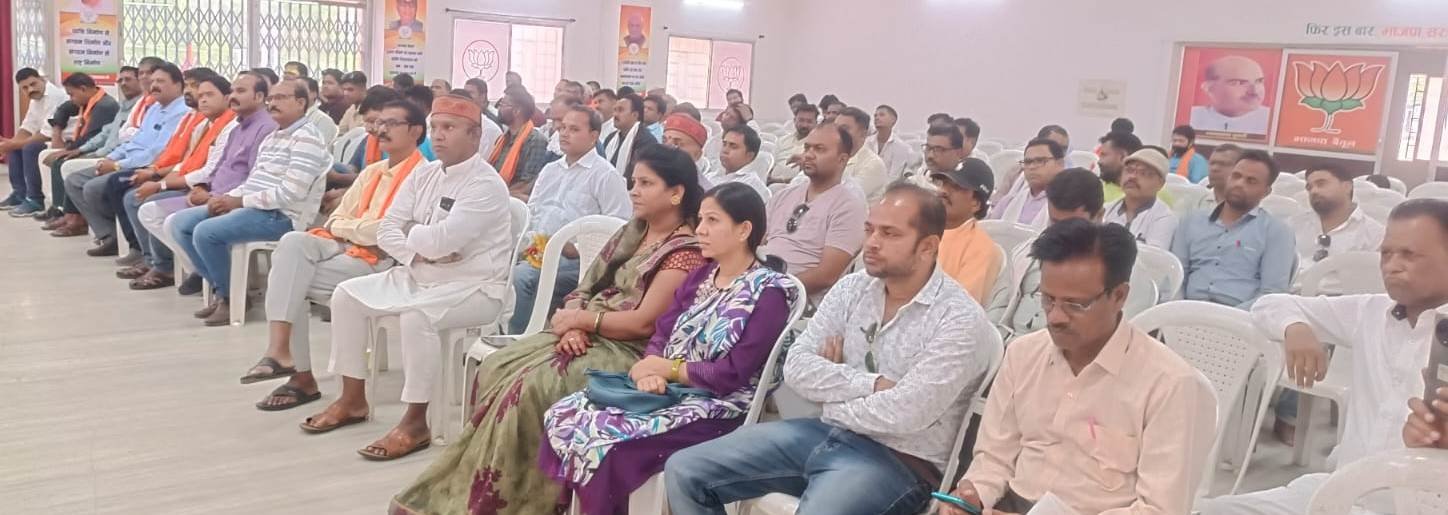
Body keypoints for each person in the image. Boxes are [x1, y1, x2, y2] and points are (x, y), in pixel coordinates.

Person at [390, 145, 708, 514]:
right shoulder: (632, 231)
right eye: (633, 182)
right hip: (587, 333)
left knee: (533, 387)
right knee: (496, 366)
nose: (633, 191)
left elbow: (643, 322)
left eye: (646, 184)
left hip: (632, 352)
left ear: (676, 193)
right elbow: (584, 289)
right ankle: (474, 490)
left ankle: (519, 503)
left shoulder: (685, 252)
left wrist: (582, 322)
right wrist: (572, 326)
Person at [666, 182, 997, 515]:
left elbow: (908, 412)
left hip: (897, 462)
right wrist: (871, 384)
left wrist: (830, 399)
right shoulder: (853, 288)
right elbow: (797, 367)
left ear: (927, 247)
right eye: (869, 229)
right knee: (685, 470)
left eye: (889, 234)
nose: (872, 242)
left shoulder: (959, 319)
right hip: (822, 432)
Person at [540, 182, 798, 515]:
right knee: (567, 414)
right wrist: (650, 366)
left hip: (719, 406)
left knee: (611, 447)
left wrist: (670, 370)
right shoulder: (703, 275)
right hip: (669, 391)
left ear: (743, 230)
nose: (700, 230)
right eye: (700, 219)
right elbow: (664, 330)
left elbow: (733, 373)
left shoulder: (768, 293)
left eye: (713, 221)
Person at [947, 220, 1217, 515]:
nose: (1055, 317)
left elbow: (1159, 509)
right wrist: (974, 494)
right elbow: (994, 457)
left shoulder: (1169, 384)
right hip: (1011, 502)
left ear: (1119, 296)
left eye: (1075, 305)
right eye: (1048, 299)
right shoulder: (1023, 354)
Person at [1199, 199, 1448, 515]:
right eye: (1386, 253)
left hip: (1417, 505)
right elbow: (1269, 304)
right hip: (1344, 488)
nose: (1392, 265)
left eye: (1409, 255)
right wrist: (1296, 327)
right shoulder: (1370, 312)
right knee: (1215, 510)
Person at [300, 95, 509, 461]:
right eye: (435, 127)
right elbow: (387, 231)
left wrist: (414, 233)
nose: (438, 136)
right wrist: (418, 249)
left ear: (475, 136)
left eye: (449, 128)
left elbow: (442, 240)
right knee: (347, 295)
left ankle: (415, 421)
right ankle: (352, 399)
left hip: (473, 286)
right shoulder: (425, 173)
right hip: (418, 272)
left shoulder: (485, 185)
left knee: (417, 316)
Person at [242, 98, 427, 410]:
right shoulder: (372, 172)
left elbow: (392, 233)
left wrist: (352, 228)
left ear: (416, 131)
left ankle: (300, 375)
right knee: (292, 243)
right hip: (343, 245)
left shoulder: (424, 177)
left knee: (289, 280)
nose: (381, 130)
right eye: (379, 123)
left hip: (382, 261)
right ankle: (280, 350)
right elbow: (335, 219)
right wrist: (356, 229)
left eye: (392, 124)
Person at [172, 79, 330, 326]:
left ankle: (229, 298)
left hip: (281, 216)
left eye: (281, 98)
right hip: (254, 207)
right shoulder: (274, 136)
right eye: (271, 98)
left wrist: (240, 201)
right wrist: (225, 198)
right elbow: (254, 180)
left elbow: (291, 194)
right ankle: (224, 289)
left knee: (206, 232)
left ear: (301, 103)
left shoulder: (307, 139)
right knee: (180, 224)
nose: (272, 103)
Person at [136, 71, 278, 295]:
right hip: (212, 193)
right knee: (152, 213)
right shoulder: (236, 128)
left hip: (234, 200)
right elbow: (218, 167)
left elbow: (254, 178)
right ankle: (208, 276)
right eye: (232, 91)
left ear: (259, 97)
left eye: (240, 91)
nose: (233, 96)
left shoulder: (265, 129)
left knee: (177, 224)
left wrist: (213, 197)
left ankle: (221, 287)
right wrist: (202, 187)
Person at [508, 106, 632, 334]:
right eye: (563, 127)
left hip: (577, 260)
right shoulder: (550, 170)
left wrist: (575, 248)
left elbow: (620, 227)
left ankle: (522, 338)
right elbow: (533, 212)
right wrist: (528, 242)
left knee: (522, 278)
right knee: (499, 266)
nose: (564, 133)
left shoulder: (605, 175)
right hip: (537, 250)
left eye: (574, 129)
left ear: (594, 136)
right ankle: (506, 333)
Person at [119, 73, 238, 288]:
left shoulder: (230, 126)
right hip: (194, 182)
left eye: (209, 95)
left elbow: (209, 170)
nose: (202, 99)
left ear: (227, 97)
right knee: (132, 194)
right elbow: (186, 161)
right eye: (200, 94)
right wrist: (159, 175)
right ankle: (168, 263)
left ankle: (173, 267)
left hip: (213, 190)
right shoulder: (203, 124)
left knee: (149, 204)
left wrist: (161, 183)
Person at [66, 62, 189, 258]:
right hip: (128, 159)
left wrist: (117, 165)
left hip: (147, 166)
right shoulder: (154, 108)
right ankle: (110, 235)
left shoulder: (181, 111)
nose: (154, 85)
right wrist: (110, 158)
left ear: (178, 85)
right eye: (153, 81)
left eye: (161, 81)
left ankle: (136, 247)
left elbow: (156, 152)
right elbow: (135, 140)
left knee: (98, 188)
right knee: (74, 180)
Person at [1172, 149, 1295, 309]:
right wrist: (1177, 310)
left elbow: (1272, 293)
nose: (1239, 184)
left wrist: (1228, 318)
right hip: (1184, 313)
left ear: (1266, 192)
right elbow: (1176, 277)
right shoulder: (1191, 221)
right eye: (1236, 176)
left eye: (1251, 181)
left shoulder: (1276, 232)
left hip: (1239, 318)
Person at [760, 123, 867, 300]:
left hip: (795, 298)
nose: (808, 155)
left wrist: (773, 289)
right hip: (756, 282)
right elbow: (752, 245)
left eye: (819, 149)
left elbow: (826, 275)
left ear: (842, 159)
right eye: (807, 148)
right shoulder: (784, 195)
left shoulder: (849, 206)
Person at [42, 66, 141, 233]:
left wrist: (82, 151)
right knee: (59, 159)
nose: (123, 83)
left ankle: (76, 219)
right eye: (120, 80)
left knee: (67, 165)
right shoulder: (124, 106)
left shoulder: (109, 105)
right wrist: (80, 149)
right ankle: (63, 211)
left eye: (128, 79)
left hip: (115, 156)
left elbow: (116, 140)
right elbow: (105, 133)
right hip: (105, 153)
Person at [29, 73, 120, 220]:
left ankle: (68, 213)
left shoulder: (105, 106)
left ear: (83, 89)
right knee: (47, 156)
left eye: (71, 94)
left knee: (61, 162)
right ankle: (55, 206)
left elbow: (91, 137)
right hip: (86, 145)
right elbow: (63, 109)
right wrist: (57, 130)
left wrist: (68, 150)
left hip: (99, 151)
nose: (71, 99)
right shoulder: (87, 100)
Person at [930, 157, 1002, 303]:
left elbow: (958, 306)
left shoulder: (981, 249)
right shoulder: (921, 227)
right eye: (944, 183)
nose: (943, 191)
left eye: (956, 187)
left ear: (976, 204)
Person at [2, 68, 73, 216]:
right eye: (25, 88)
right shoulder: (36, 99)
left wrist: (11, 144)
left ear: (42, 79)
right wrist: (8, 145)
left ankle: (35, 199)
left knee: (30, 147)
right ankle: (20, 194)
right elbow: (27, 127)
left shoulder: (55, 96)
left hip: (66, 140)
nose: (30, 89)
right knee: (16, 147)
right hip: (49, 138)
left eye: (33, 84)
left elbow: (46, 134)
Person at [1291, 164, 1385, 271]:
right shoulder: (1293, 225)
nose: (1313, 191)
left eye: (1321, 184)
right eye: (1309, 187)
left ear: (1347, 187)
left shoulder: (1375, 234)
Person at [1104, 149, 1179, 248]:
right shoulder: (1106, 209)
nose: (1132, 177)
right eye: (1129, 170)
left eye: (1144, 173)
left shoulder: (1164, 218)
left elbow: (1153, 256)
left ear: (1161, 184)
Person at [990, 138, 1066, 229]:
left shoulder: (1068, 204)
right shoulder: (1009, 202)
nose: (1031, 167)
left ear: (1060, 164)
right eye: (1027, 162)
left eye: (1040, 161)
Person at [490, 88, 550, 198]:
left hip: (511, 198)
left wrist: (498, 195)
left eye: (503, 104)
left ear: (516, 111)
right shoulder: (503, 138)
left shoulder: (535, 141)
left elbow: (527, 183)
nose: (499, 108)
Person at [1190, 55, 1270, 134]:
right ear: (1208, 88)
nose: (1254, 91)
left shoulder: (1271, 120)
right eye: (1239, 83)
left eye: (1259, 81)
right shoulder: (1191, 117)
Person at [830, 107, 888, 203]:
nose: (838, 133)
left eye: (844, 129)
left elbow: (844, 197)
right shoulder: (830, 156)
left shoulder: (873, 164)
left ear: (863, 134)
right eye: (836, 128)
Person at [602, 93, 659, 182]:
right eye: (615, 110)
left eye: (620, 110)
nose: (615, 114)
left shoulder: (646, 140)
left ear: (635, 115)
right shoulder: (610, 138)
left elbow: (636, 174)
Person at [715, 125, 771, 201]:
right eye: (724, 144)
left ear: (749, 156)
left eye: (733, 146)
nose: (725, 150)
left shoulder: (753, 186)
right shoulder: (711, 176)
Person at [660, 112, 718, 184]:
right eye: (664, 141)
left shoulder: (701, 188)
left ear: (697, 155)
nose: (667, 148)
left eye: (677, 144)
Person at [768, 103, 818, 185]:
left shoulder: (818, 145)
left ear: (816, 123)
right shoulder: (782, 141)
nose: (804, 125)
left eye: (809, 121)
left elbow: (810, 177)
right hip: (770, 184)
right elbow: (770, 165)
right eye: (801, 120)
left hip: (798, 185)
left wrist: (781, 181)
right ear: (794, 120)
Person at [1097, 130, 1143, 204]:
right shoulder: (1095, 191)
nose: (1099, 161)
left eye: (1104, 155)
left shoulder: (1154, 194)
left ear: (1123, 157)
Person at [872, 104, 916, 181]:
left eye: (881, 115)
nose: (877, 118)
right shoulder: (866, 143)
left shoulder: (902, 147)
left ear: (893, 120)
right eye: (875, 116)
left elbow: (894, 177)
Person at [1196, 144, 1245, 211]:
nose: (1214, 168)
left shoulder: (1251, 205)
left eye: (1223, 164)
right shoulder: (1196, 202)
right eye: (1212, 163)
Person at [301, 76, 339, 144]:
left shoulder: (322, 120)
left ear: (314, 94)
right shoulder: (288, 117)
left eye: (300, 91)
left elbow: (319, 148)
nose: (295, 95)